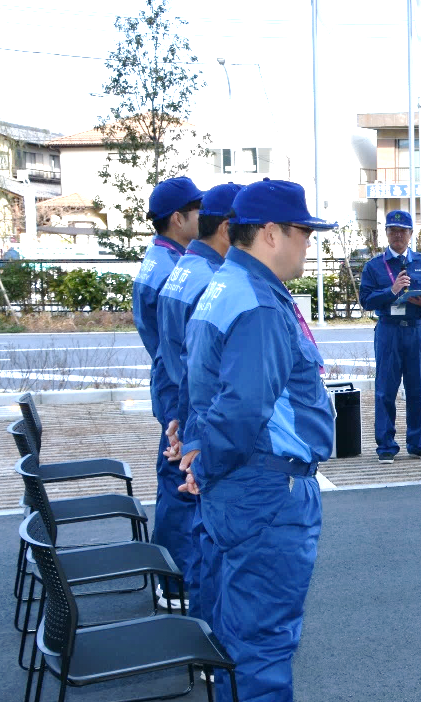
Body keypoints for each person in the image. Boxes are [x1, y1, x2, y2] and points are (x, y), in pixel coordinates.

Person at [181, 178, 335, 702]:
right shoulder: (261, 305)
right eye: (302, 234)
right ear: (271, 233)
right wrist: (207, 461)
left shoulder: (225, 285)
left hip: (238, 486)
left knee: (236, 623)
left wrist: (199, 455)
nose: (308, 248)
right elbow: (243, 408)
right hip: (265, 488)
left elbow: (206, 388)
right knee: (265, 631)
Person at [154, 182, 242, 616]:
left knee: (180, 506)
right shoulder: (212, 280)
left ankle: (177, 593)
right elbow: (205, 369)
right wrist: (186, 425)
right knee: (201, 527)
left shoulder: (183, 268)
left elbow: (170, 354)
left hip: (179, 408)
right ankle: (195, 618)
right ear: (228, 228)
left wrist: (174, 415)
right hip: (198, 420)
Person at [134, 175, 202, 609]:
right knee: (179, 480)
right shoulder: (175, 269)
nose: (204, 218)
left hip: (166, 379)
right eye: (197, 212)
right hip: (177, 385)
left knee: (171, 476)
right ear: (178, 218)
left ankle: (168, 572)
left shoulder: (157, 261)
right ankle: (174, 580)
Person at [358, 210, 421, 462]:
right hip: (389, 331)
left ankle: (418, 444)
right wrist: (391, 290)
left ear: (410, 234)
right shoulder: (374, 265)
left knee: (418, 390)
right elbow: (366, 300)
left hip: (416, 331)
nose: (397, 235)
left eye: (402, 230)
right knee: (385, 390)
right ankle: (386, 447)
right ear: (386, 233)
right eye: (392, 230)